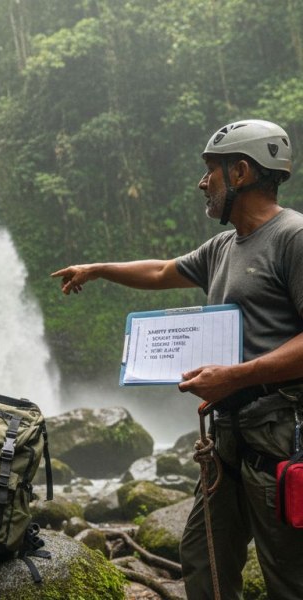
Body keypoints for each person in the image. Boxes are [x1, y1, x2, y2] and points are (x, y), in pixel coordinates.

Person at [51, 119, 303, 599]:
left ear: (242, 172)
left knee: (288, 573)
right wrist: (98, 269)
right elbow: (164, 270)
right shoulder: (224, 246)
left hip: (278, 436)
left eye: (211, 171)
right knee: (203, 556)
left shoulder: (293, 237)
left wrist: (236, 376)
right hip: (228, 435)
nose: (202, 182)